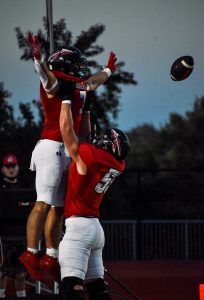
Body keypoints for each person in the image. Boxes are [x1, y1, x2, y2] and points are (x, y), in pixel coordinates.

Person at [19, 33, 118, 282]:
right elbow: (46, 77)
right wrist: (38, 59)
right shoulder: (57, 83)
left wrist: (107, 70)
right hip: (52, 144)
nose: (81, 68)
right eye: (76, 63)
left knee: (59, 206)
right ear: (65, 66)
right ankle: (30, 253)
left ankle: (51, 255)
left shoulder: (78, 86)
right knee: (43, 202)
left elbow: (93, 82)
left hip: (66, 147)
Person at [58, 100, 130, 299]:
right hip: (95, 229)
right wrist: (86, 110)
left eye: (103, 139)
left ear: (108, 145)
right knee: (98, 290)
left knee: (72, 289)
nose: (97, 139)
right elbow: (84, 139)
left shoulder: (91, 158)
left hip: (79, 229)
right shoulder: (113, 162)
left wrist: (65, 101)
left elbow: (67, 132)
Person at [0, 154, 27, 300]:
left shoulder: (25, 187)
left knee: (21, 269)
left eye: (13, 166)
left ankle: (21, 296)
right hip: (3, 235)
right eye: (7, 167)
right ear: (2, 169)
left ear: (17, 167)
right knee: (1, 268)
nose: (10, 170)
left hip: (22, 234)